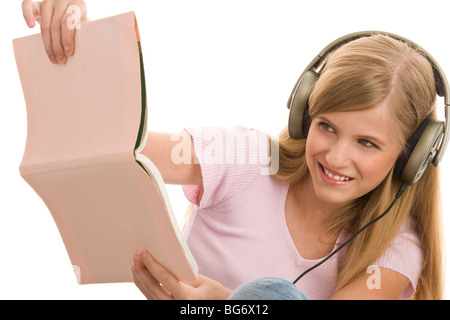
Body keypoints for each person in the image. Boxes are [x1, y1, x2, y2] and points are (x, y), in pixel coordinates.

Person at [22, 1, 445, 300]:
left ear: (411, 157)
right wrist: (78, 41)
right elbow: (126, 146)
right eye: (327, 127)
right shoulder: (248, 157)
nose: (335, 157)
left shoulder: (395, 244)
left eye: (367, 143)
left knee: (274, 296)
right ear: (304, 116)